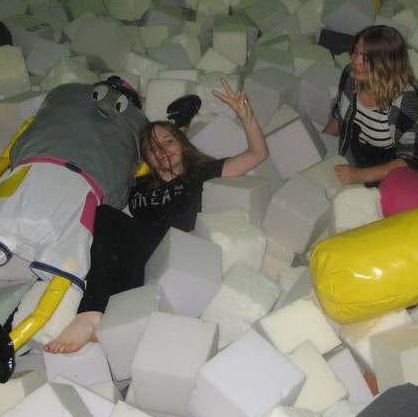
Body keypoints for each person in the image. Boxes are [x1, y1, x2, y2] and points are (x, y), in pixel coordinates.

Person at [43, 77, 269, 353]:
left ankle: (90, 313)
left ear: (182, 144)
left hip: (177, 256)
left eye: (168, 141)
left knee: (106, 217)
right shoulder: (137, 186)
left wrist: (246, 115)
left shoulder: (201, 173)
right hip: (144, 263)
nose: (161, 151)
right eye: (152, 148)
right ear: (146, 159)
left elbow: (258, 154)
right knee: (101, 242)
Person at [322, 25, 418, 186]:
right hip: (362, 160)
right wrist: (319, 144)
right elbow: (340, 115)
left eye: (367, 58)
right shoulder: (351, 76)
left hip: (397, 170)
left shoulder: (408, 103)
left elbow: (413, 160)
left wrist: (360, 175)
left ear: (387, 63)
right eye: (355, 52)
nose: (356, 61)